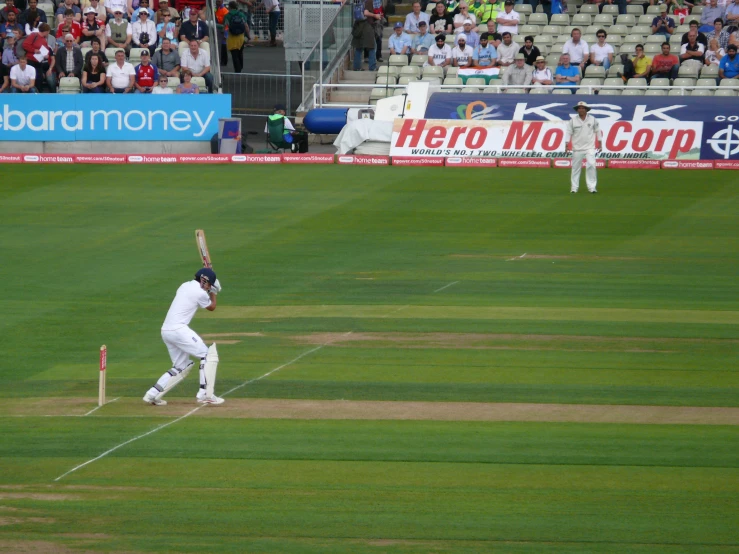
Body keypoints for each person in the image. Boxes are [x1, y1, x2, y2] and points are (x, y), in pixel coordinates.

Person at [143, 268, 224, 406]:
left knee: (181, 366)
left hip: (166, 330)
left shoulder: (184, 285)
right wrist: (214, 292)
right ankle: (205, 394)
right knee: (207, 355)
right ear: (204, 281)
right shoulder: (200, 293)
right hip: (178, 330)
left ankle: (152, 394)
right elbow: (212, 307)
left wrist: (210, 288)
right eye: (208, 284)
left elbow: (202, 293)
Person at [566, 101, 600, 194]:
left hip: (590, 147)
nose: (581, 109)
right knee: (575, 168)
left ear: (586, 110)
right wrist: (566, 144)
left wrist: (600, 143)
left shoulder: (592, 119)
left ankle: (592, 187)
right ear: (577, 110)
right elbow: (568, 132)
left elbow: (598, 131)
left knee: (591, 165)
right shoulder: (573, 120)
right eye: (579, 108)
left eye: (583, 108)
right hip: (577, 148)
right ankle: (574, 188)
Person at [22, 23, 55, 91]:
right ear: (46, 31)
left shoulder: (44, 40)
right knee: (31, 77)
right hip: (30, 60)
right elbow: (25, 45)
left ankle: (38, 93)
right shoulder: (34, 35)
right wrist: (34, 50)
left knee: (39, 78)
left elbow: (46, 51)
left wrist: (46, 55)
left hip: (39, 62)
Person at [352, 0, 379, 71]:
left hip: (358, 26)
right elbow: (365, 13)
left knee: (359, 48)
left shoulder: (360, 1)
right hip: (367, 27)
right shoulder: (369, 1)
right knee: (372, 47)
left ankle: (357, 67)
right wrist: (375, 15)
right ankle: (372, 67)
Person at [224, 0, 246, 72]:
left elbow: (226, 27)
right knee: (240, 52)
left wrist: (225, 35)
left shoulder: (227, 15)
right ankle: (241, 66)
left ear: (229, 7)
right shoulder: (241, 14)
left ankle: (237, 69)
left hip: (232, 37)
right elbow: (245, 25)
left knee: (234, 54)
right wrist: (248, 36)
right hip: (240, 36)